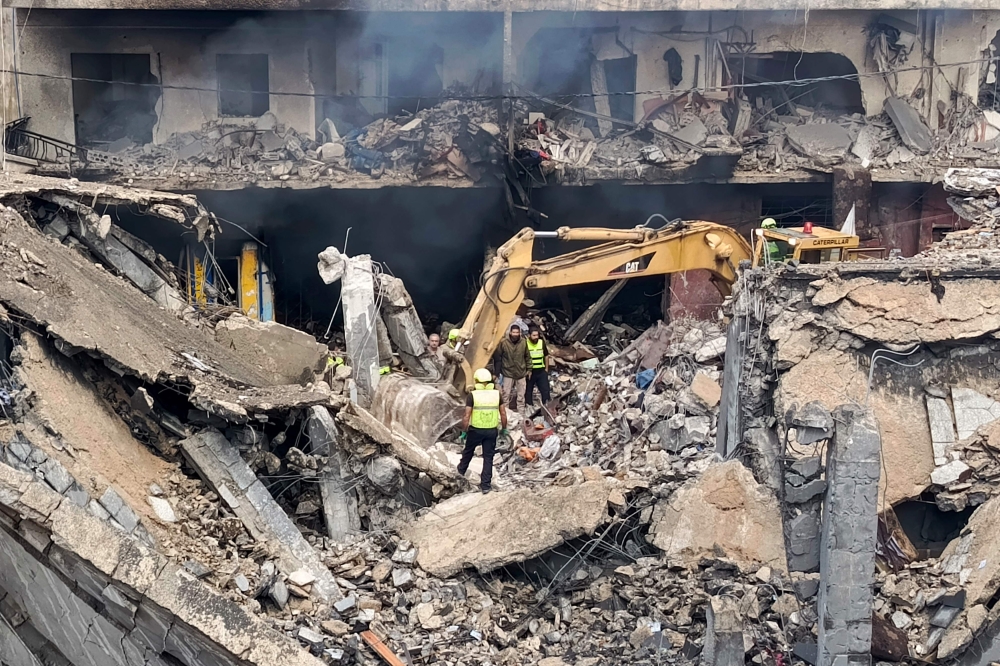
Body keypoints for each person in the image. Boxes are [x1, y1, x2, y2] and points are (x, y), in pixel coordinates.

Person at [458, 368, 508, 493]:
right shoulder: (497, 394)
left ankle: (459, 474)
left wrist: (464, 431)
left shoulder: (472, 395)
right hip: (491, 430)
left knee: (468, 452)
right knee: (488, 457)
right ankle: (485, 486)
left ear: (477, 381)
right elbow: (503, 414)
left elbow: (466, 416)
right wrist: (504, 429)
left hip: (475, 430)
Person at [494, 324, 530, 416]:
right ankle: (506, 415)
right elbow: (498, 357)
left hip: (521, 373)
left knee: (521, 396)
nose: (515, 334)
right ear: (510, 332)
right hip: (507, 373)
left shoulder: (524, 342)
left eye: (517, 332)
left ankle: (521, 415)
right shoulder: (504, 343)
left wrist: (529, 369)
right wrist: (498, 372)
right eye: (513, 332)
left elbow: (527, 356)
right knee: (505, 395)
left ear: (520, 333)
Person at [524, 326, 551, 407]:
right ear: (529, 335)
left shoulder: (541, 342)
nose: (536, 337)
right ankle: (529, 406)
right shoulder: (525, 344)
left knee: (545, 390)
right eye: (534, 335)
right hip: (530, 372)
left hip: (541, 371)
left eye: (537, 335)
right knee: (528, 391)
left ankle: (546, 406)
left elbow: (546, 356)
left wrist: (546, 369)